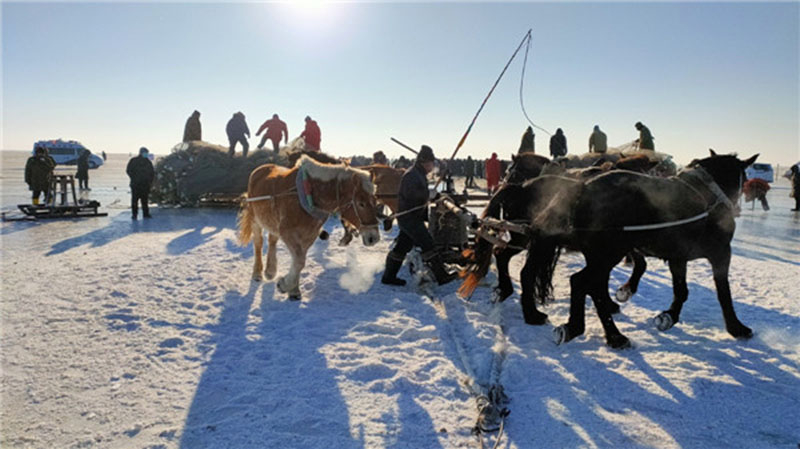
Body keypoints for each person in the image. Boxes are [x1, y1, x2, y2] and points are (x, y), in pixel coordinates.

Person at [381, 145, 457, 287]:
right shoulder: (412, 175)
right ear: (424, 162)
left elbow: (421, 193)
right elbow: (413, 195)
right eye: (431, 163)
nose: (433, 166)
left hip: (410, 218)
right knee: (428, 244)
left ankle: (388, 276)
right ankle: (441, 276)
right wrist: (429, 195)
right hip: (410, 218)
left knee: (401, 247)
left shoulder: (418, 174)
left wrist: (437, 196)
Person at [127, 147, 155, 220]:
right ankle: (134, 214)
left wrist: (150, 181)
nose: (146, 154)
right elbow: (128, 170)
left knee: (144, 200)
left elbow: (152, 173)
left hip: (145, 184)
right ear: (141, 153)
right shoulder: (134, 161)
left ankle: (146, 214)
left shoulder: (148, 162)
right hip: (136, 184)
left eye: (147, 153)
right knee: (134, 200)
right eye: (145, 153)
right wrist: (134, 177)